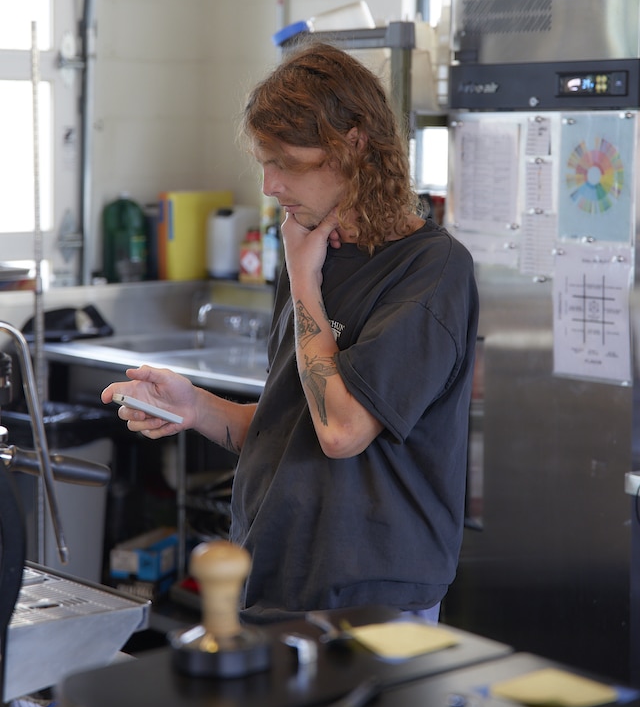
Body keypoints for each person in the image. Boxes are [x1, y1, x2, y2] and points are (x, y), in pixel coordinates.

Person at [101, 40, 479, 624]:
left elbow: (340, 430)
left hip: (370, 591)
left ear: (354, 145)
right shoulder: (310, 247)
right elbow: (293, 423)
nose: (270, 185)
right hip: (272, 572)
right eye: (264, 162)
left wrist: (303, 280)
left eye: (288, 163)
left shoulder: (430, 270)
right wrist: (195, 407)